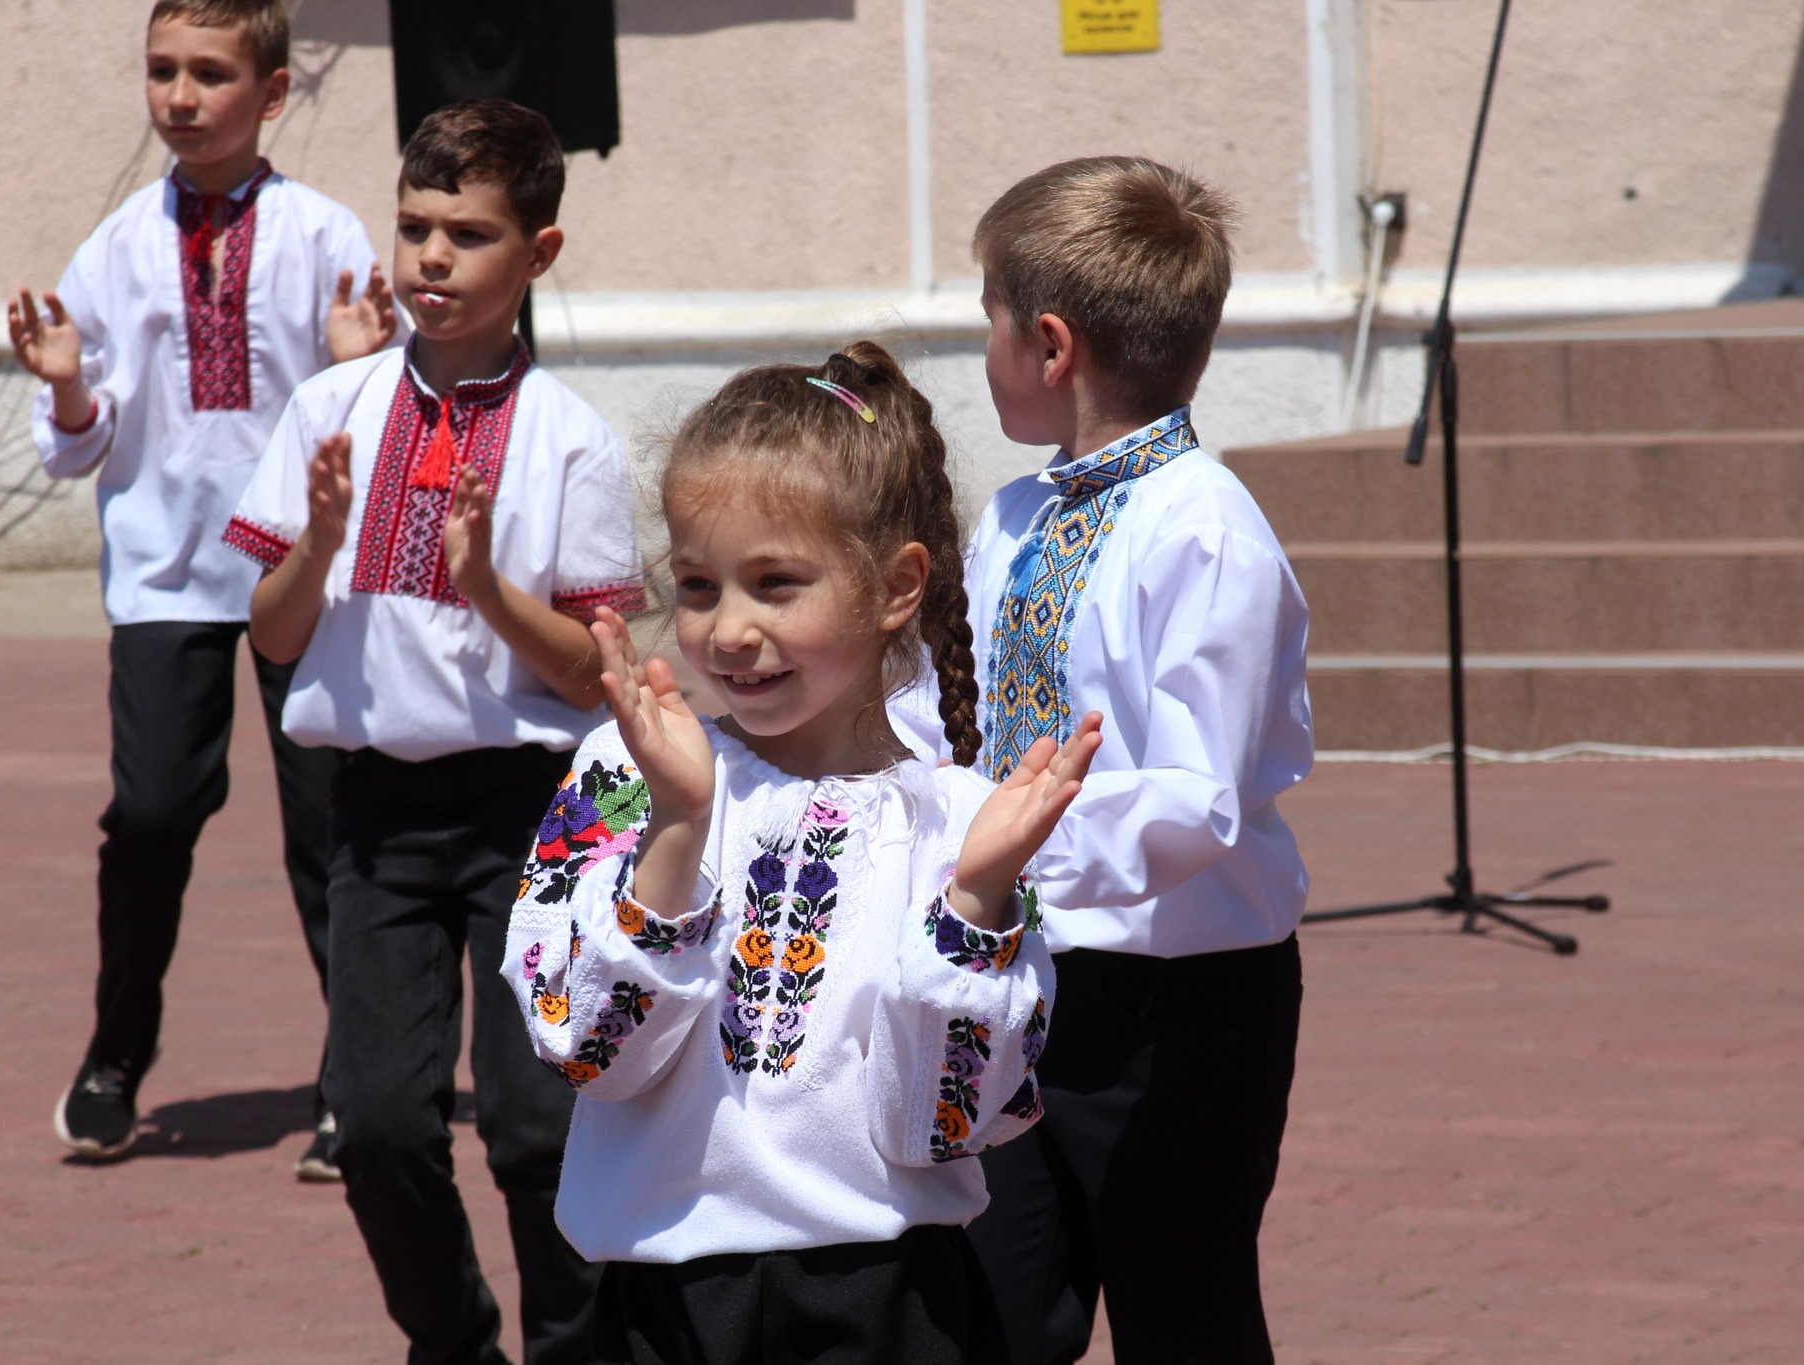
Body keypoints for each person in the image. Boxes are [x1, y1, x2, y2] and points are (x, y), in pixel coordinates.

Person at [500, 343, 1102, 1365]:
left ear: (894, 587)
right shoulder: (627, 769)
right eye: (696, 585)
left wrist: (977, 899)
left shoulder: (957, 818)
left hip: (887, 1302)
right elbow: (587, 1052)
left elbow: (944, 1123)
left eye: (775, 584)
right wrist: (680, 827)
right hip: (660, 1302)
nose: (729, 629)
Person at [230, 100, 641, 1365]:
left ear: (541, 252)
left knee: (533, 1128)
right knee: (381, 1121)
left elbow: (591, 677)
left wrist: (487, 590)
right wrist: (315, 540)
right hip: (378, 816)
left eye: (468, 233)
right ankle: (452, 1335)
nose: (432, 259)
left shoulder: (575, 440)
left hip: (534, 819)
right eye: (414, 228)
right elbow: (276, 635)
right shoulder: (331, 409)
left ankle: (572, 1345)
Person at [921, 156, 1315, 1364]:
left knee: (1182, 1313)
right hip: (1023, 981)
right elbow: (974, 720)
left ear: (1047, 347)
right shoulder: (1013, 517)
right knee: (994, 1308)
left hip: (1177, 1009)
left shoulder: (1203, 531)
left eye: (987, 318)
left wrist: (1006, 840)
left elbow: (1195, 802)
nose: (980, 346)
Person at [8, 0, 398, 1175]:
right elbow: (74, 441)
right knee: (154, 813)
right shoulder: (116, 244)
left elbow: (373, 430)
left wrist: (356, 369)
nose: (180, 96)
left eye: (211, 74)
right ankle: (117, 1053)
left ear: (271, 93)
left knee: (329, 827)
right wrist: (71, 390)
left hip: (298, 570)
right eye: (161, 71)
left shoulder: (328, 235)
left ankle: (359, 1082)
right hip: (165, 570)